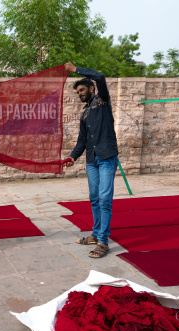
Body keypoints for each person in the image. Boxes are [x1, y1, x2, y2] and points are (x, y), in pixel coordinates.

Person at [63, 62, 119, 259]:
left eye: (82, 89)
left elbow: (101, 76)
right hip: (91, 160)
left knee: (105, 199)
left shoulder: (103, 101)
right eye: (77, 91)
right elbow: (82, 140)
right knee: (94, 198)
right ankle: (96, 235)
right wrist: (72, 156)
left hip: (106, 158)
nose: (80, 93)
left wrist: (75, 70)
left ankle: (103, 242)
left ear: (92, 89)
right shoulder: (85, 113)